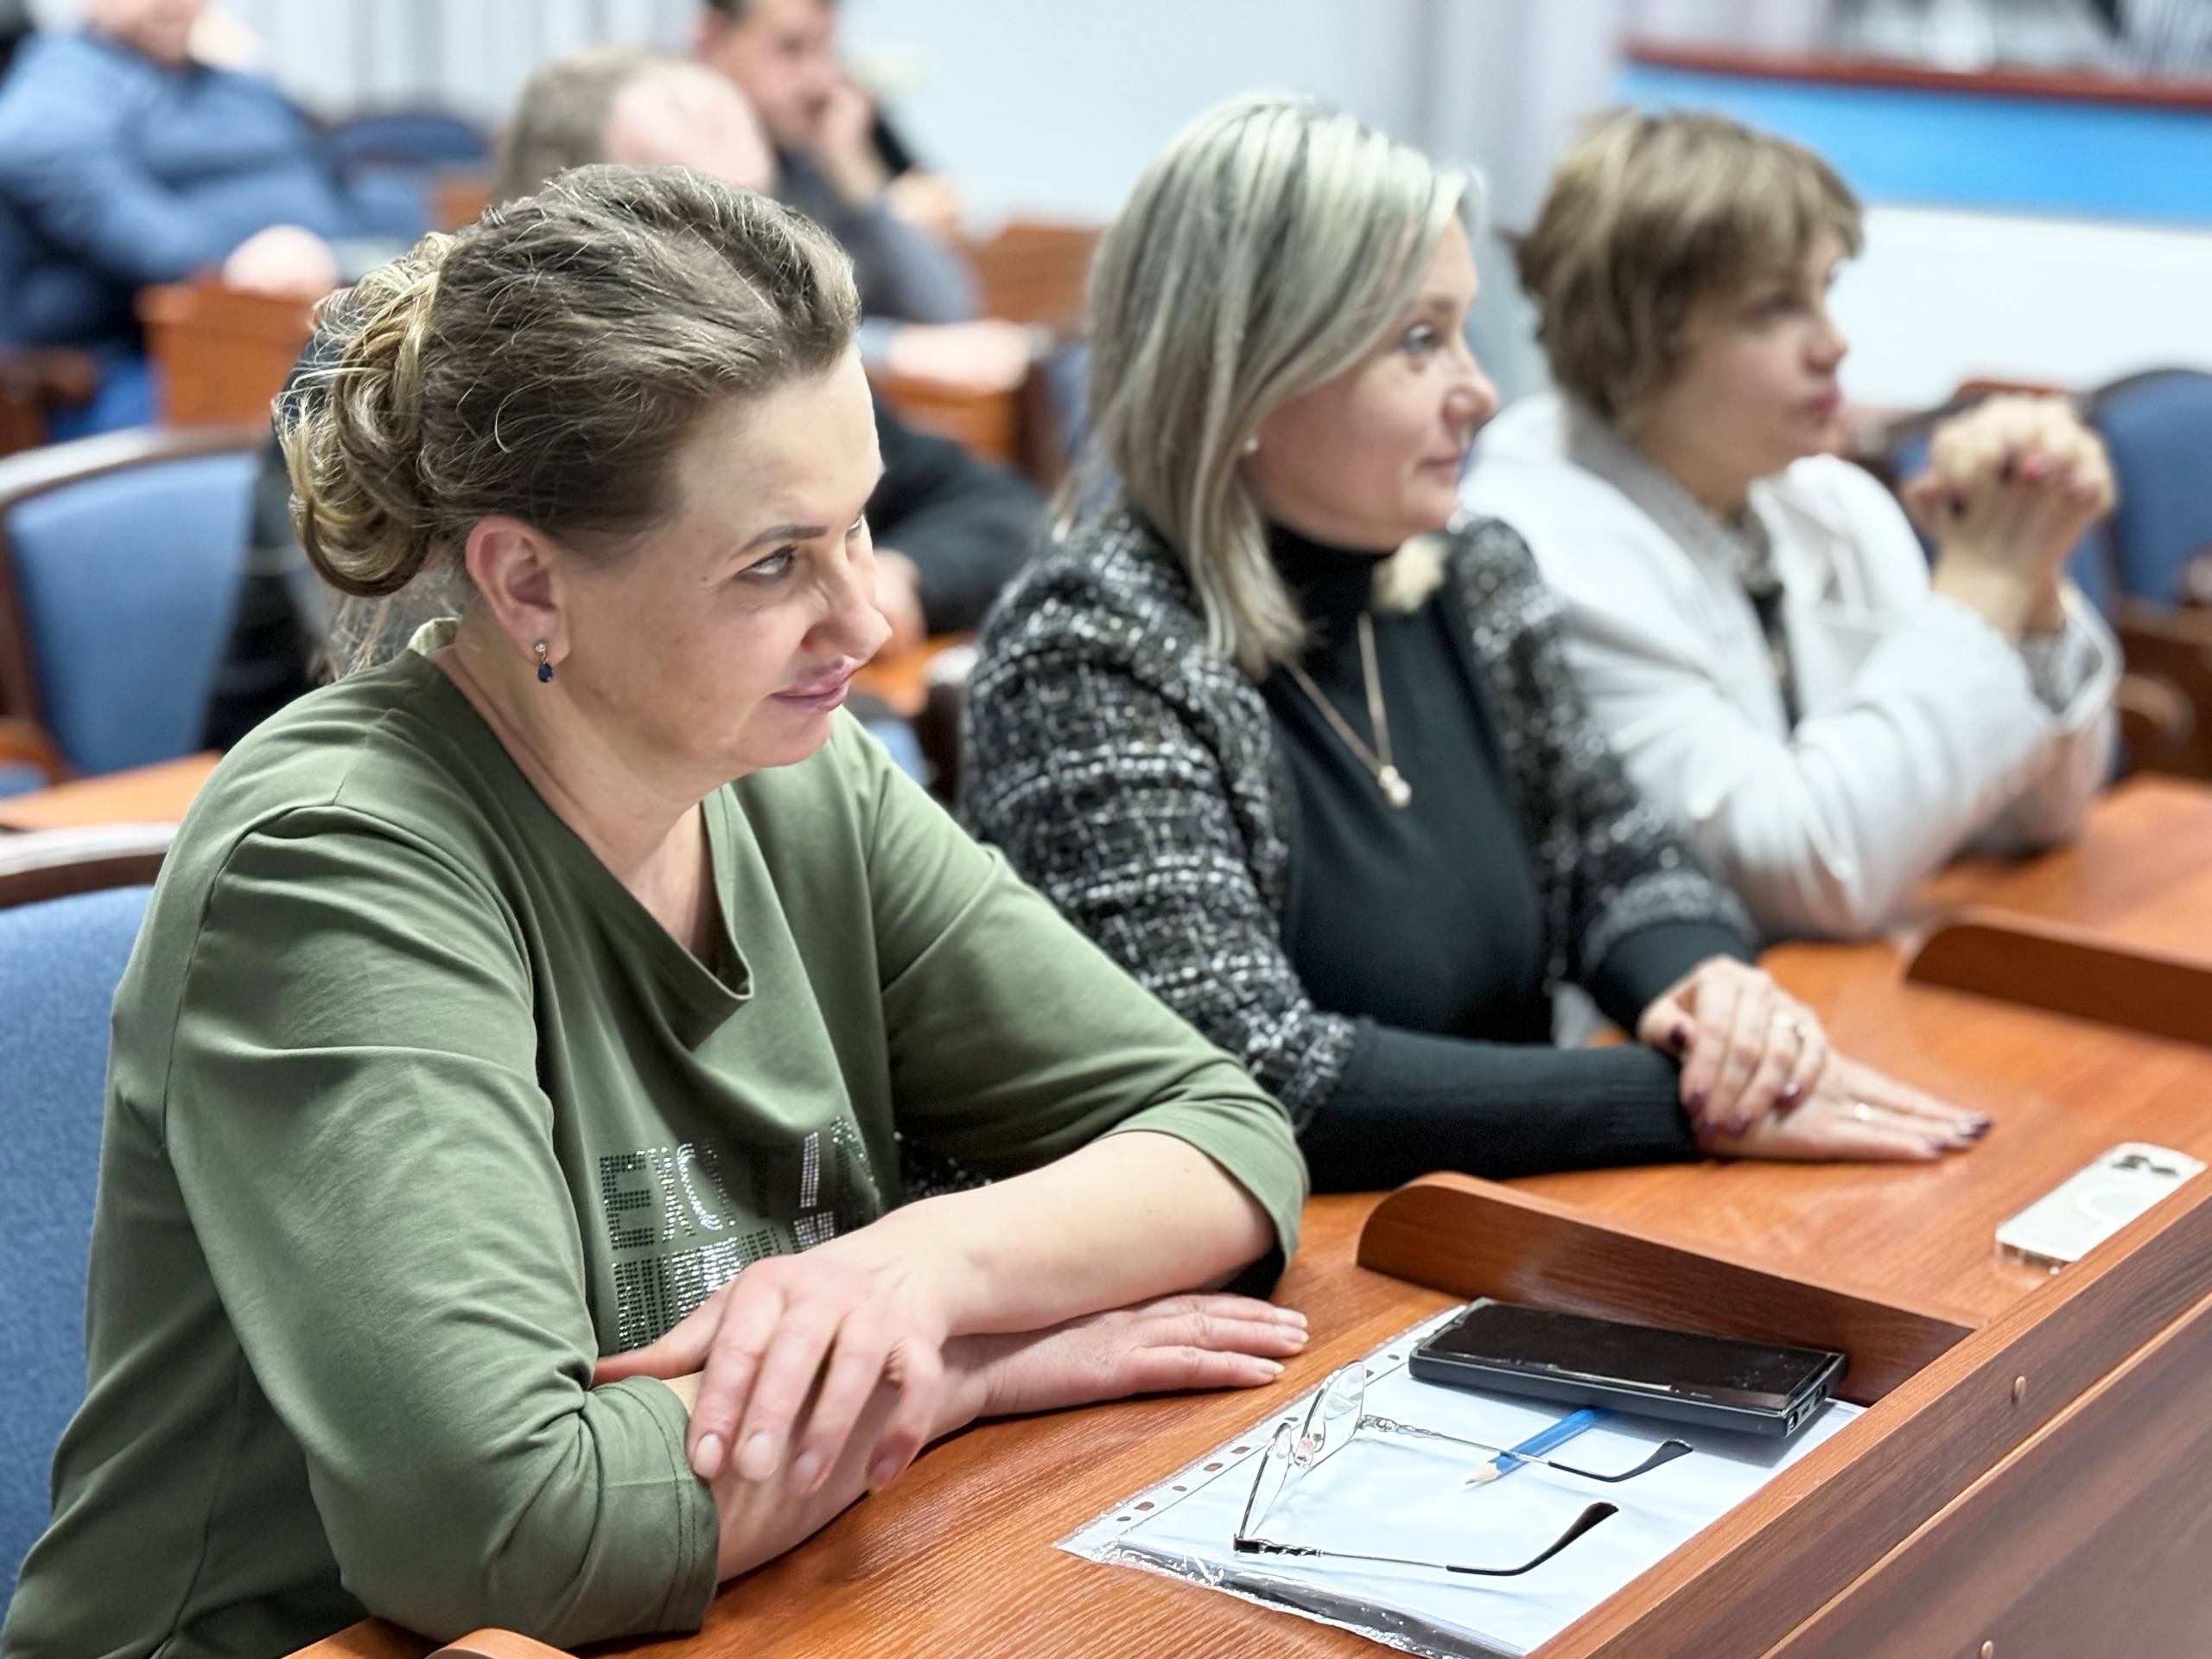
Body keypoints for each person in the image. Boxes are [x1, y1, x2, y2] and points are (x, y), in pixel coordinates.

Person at [1, 166, 1310, 1659]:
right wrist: (955, 1372)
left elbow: (1221, 1134)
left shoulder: (790, 771)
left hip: (728, 1593)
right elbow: (516, 1534)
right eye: (775, 563)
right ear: (527, 583)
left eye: (860, 527)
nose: (865, 619)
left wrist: (913, 1276)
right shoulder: (330, 865)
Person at [963, 94, 1986, 1195]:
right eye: (1420, 342)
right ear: (1249, 372)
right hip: (1281, 1266)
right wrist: (1682, 1103)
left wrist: (1710, 991)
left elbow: (1618, 859)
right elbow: (1250, 1081)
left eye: (1465, 332)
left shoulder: (1471, 573)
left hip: (1488, 1216)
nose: (1481, 393)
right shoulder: (1090, 652)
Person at [200, 47, 1042, 752]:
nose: (750, 270)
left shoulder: (756, 357)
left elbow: (994, 506)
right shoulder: (387, 373)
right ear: (553, 228)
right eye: (693, 230)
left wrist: (897, 576)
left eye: (760, 214)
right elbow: (442, 684)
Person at [1463, 110, 2120, 941]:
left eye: (1825, 290)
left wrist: (2031, 582)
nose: (1834, 343)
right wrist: (1985, 586)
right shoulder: (1535, 547)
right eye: (1775, 307)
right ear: (1622, 340)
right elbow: (1801, 875)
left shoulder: (1826, 498)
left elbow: (2036, 813)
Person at [0, 0, 417, 359]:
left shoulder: (231, 80)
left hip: (326, 311)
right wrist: (230, 263)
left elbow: (324, 172)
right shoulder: (67, 79)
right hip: (163, 360)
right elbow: (47, 159)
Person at [696, 0, 1033, 394]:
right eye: (791, 48)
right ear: (714, 39)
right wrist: (898, 351)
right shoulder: (671, 158)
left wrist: (855, 176)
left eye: (825, 50)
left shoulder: (809, 156)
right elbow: (736, 333)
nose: (820, 80)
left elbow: (947, 308)